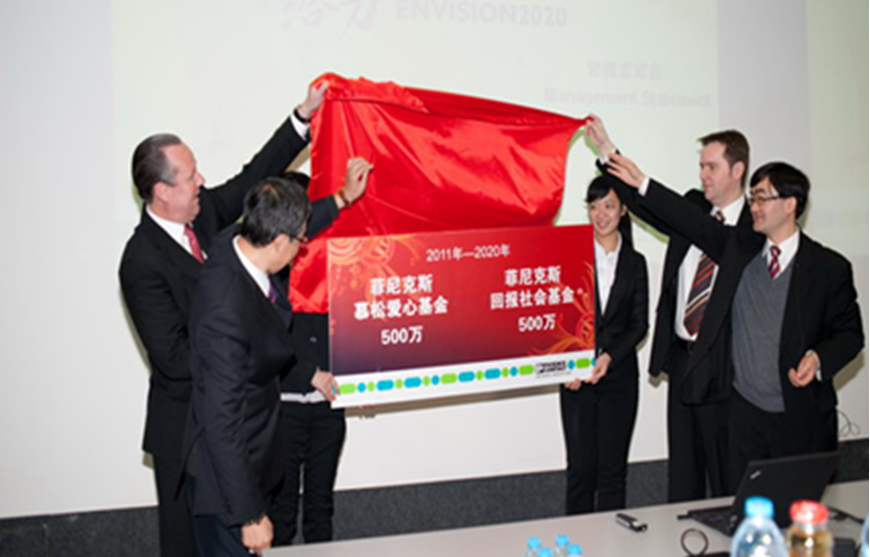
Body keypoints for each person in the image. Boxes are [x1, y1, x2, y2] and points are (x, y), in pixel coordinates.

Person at [118, 83, 348, 557]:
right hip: (189, 434)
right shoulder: (141, 261)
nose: (201, 181)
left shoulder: (206, 220)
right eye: (190, 176)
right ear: (162, 191)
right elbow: (176, 358)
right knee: (191, 546)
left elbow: (255, 180)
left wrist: (302, 118)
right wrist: (246, 346)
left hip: (238, 422)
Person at [604, 154, 864, 490]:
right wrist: (640, 181)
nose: (753, 206)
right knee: (745, 510)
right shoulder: (740, 250)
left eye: (762, 198)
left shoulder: (829, 268)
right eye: (752, 198)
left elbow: (850, 335)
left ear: (790, 205)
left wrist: (818, 358)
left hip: (801, 418)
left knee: (798, 513)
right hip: (743, 420)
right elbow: (685, 218)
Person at [585, 117, 752, 501]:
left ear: (737, 170)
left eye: (712, 167)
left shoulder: (749, 225)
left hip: (722, 369)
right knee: (683, 474)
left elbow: (706, 232)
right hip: (681, 360)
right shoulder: (693, 207)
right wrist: (608, 151)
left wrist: (645, 181)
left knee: (724, 477)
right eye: (701, 166)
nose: (703, 175)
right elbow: (644, 205)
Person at [182, 176, 345, 556]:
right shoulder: (226, 312)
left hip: (250, 460)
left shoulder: (231, 244)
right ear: (278, 241)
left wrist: (340, 199)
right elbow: (222, 422)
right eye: (300, 240)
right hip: (226, 485)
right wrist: (250, 515)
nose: (301, 249)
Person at [560, 176, 649, 514]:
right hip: (577, 381)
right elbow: (559, 317)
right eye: (594, 206)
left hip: (620, 380)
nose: (601, 214)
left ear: (623, 210)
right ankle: (577, 539)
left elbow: (639, 324)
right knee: (581, 471)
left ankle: (612, 540)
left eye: (609, 206)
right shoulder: (572, 255)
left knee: (613, 472)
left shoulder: (636, 262)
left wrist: (610, 356)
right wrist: (567, 364)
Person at [270, 172, 346, 546]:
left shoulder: (336, 265)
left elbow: (351, 331)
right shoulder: (268, 270)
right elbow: (263, 346)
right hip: (282, 408)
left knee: (320, 507)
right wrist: (308, 374)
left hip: (327, 410)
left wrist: (368, 380)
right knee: (280, 510)